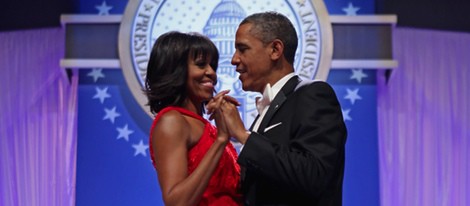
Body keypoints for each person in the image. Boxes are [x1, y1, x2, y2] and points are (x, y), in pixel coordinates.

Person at [215, 12, 347, 205]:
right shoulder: (266, 111)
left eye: (242, 49)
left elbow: (314, 175)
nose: (234, 59)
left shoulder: (313, 95)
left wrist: (244, 136)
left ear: (275, 50)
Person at [144, 31, 242, 205]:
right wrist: (221, 140)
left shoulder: (205, 125)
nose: (211, 72)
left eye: (212, 65)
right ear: (175, 70)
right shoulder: (172, 121)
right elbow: (177, 202)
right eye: (201, 64)